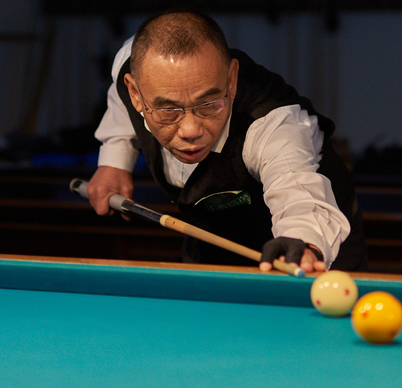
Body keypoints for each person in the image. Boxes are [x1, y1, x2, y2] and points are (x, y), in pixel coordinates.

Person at [88, 10, 367, 274]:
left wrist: (303, 241)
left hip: (316, 246)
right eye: (168, 110)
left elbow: (297, 190)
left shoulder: (273, 125)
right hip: (210, 234)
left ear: (231, 80)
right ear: (136, 94)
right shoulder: (134, 64)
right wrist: (114, 161)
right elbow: (119, 99)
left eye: (208, 104)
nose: (190, 130)